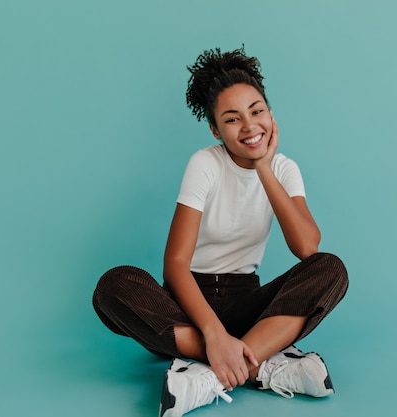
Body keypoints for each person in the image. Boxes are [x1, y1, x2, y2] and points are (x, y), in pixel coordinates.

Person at [92, 46, 349, 417]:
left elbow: (308, 247)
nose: (249, 126)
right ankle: (258, 364)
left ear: (270, 114)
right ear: (215, 129)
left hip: (247, 304)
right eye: (232, 119)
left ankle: (211, 375)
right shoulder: (205, 163)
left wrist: (264, 167)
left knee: (331, 268)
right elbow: (175, 265)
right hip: (186, 308)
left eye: (257, 111)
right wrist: (213, 335)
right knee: (113, 285)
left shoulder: (285, 169)